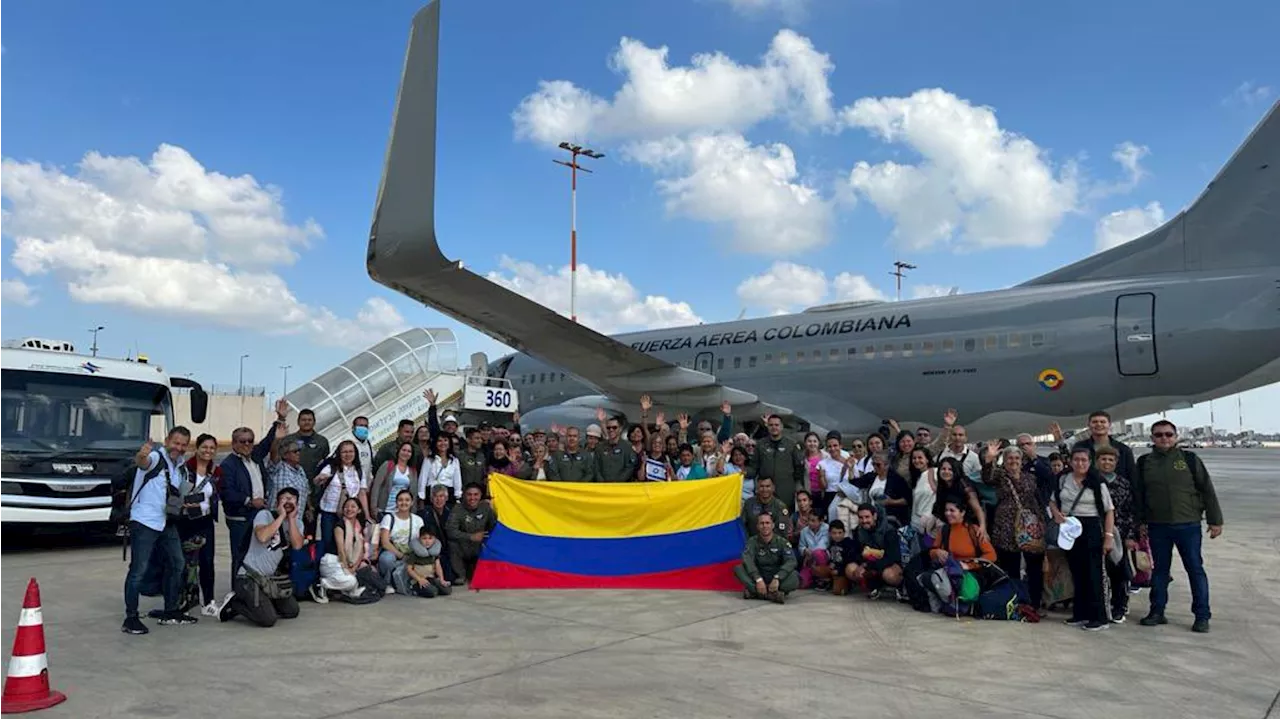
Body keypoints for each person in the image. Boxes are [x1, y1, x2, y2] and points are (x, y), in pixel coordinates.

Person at [1134, 420, 1223, 633]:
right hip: (1158, 526)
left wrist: (1215, 520)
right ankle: (1157, 611)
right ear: (1152, 438)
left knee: (1195, 569)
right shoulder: (1145, 462)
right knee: (1160, 572)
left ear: (1175, 437)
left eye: (1168, 434)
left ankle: (1202, 615)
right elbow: (1139, 495)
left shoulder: (1189, 459)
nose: (1164, 438)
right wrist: (1140, 522)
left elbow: (1207, 489)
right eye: (1159, 435)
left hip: (1188, 524)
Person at [122, 428, 198, 635]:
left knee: (177, 563)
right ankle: (131, 618)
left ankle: (170, 611)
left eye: (183, 444)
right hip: (145, 521)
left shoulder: (179, 466)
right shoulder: (156, 457)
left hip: (166, 521)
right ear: (167, 441)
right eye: (176, 443)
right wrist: (142, 455)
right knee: (138, 570)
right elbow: (142, 463)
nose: (179, 448)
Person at [214, 487, 305, 627]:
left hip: (270, 580)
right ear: (277, 504)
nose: (288, 501)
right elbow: (262, 537)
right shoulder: (264, 515)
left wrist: (291, 520)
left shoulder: (297, 523)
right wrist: (281, 516)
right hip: (249, 576)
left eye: (292, 499)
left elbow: (297, 545)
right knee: (268, 619)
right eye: (284, 498)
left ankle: (262, 602)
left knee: (292, 611)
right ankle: (235, 603)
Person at [1051, 447, 1115, 632]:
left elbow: (1109, 510)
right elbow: (1053, 500)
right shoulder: (1063, 479)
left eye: (1084, 460)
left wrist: (1108, 537)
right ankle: (1081, 612)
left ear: (1090, 462)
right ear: (1070, 461)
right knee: (1076, 572)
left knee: (1094, 573)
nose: (1080, 463)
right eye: (1076, 460)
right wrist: (1056, 514)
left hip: (1091, 527)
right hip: (1070, 527)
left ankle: (1099, 617)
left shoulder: (1097, 482)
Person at [1095, 445, 1137, 623]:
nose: (1106, 463)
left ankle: (1120, 605)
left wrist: (1130, 536)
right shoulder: (1091, 481)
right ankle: (1103, 605)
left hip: (1118, 533)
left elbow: (1130, 511)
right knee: (1099, 571)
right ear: (1096, 462)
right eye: (1103, 459)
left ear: (1116, 463)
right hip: (1096, 532)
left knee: (1119, 571)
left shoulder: (1123, 483)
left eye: (1110, 460)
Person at [180, 433, 221, 616]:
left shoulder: (216, 472)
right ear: (196, 448)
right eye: (204, 447)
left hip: (205, 521)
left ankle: (209, 602)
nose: (208, 451)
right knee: (187, 563)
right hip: (186, 521)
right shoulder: (185, 470)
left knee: (207, 561)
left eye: (212, 448)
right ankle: (184, 601)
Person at [734, 513, 797, 603]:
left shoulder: (782, 542)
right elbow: (747, 559)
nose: (765, 526)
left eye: (767, 523)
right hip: (759, 575)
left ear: (773, 525)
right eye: (762, 523)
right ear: (757, 526)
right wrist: (758, 579)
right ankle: (772, 595)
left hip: (776, 576)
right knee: (738, 569)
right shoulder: (752, 541)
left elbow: (791, 561)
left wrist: (777, 578)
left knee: (794, 577)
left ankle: (755, 593)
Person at [445, 483, 497, 585]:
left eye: (476, 494)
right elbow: (450, 531)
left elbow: (494, 526)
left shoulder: (485, 508)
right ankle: (461, 575)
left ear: (481, 495)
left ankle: (482, 572)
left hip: (479, 547)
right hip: (462, 547)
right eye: (469, 494)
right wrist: (470, 537)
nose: (472, 498)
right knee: (452, 543)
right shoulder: (457, 509)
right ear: (464, 495)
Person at [848, 503, 904, 598]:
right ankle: (872, 587)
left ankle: (900, 588)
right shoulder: (858, 531)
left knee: (890, 575)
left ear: (874, 516)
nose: (864, 520)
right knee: (850, 569)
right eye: (861, 517)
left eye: (867, 517)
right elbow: (855, 552)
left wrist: (868, 566)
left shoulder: (889, 530)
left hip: (886, 565)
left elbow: (892, 557)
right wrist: (861, 565)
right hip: (868, 563)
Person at [318, 497, 369, 599]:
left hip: (347, 563)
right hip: (333, 560)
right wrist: (347, 569)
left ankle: (346, 590)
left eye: (353, 506)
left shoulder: (359, 528)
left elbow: (361, 552)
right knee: (352, 581)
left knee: (361, 576)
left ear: (359, 510)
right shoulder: (339, 525)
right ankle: (322, 584)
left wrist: (353, 568)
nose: (349, 509)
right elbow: (341, 550)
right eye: (346, 507)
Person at [378, 490, 424, 591]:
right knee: (386, 559)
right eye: (400, 500)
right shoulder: (388, 518)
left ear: (412, 502)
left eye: (407, 500)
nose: (404, 503)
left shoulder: (418, 520)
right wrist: (402, 556)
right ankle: (387, 583)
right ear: (396, 502)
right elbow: (385, 542)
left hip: (411, 553)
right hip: (393, 552)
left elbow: (422, 541)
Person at [404, 526, 453, 598]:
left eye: (430, 538)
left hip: (431, 578)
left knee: (447, 590)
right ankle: (416, 590)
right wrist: (419, 579)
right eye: (424, 538)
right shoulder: (415, 553)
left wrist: (441, 579)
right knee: (432, 592)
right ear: (419, 539)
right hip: (418, 580)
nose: (427, 541)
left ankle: (433, 587)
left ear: (434, 539)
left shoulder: (434, 553)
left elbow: (438, 566)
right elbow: (409, 569)